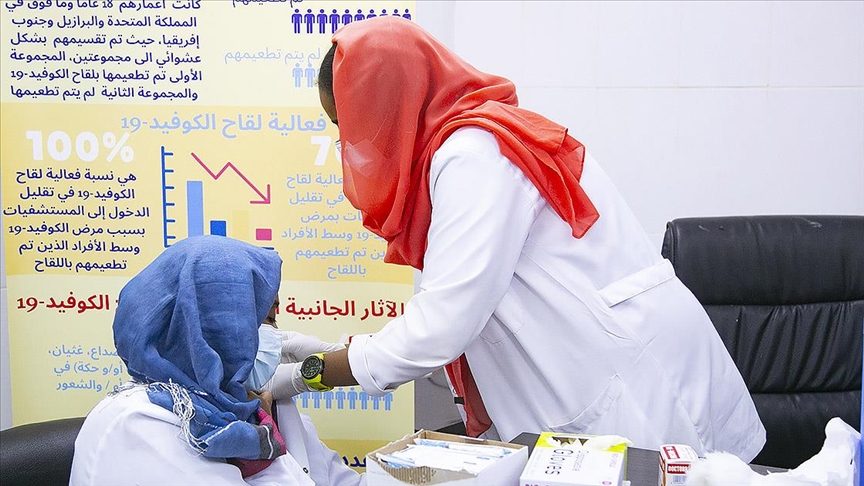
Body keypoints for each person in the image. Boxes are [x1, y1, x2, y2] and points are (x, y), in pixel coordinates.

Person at [302, 16, 766, 461]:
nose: (355, 146)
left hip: (626, 374)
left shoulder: (473, 156)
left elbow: (440, 327)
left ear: (389, 107)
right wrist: (334, 351)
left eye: (353, 126)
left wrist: (311, 373)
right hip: (609, 357)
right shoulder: (469, 143)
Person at [70, 236, 364, 486]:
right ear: (208, 332)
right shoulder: (142, 423)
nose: (274, 337)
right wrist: (266, 436)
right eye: (262, 321)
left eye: (273, 319)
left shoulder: (250, 409)